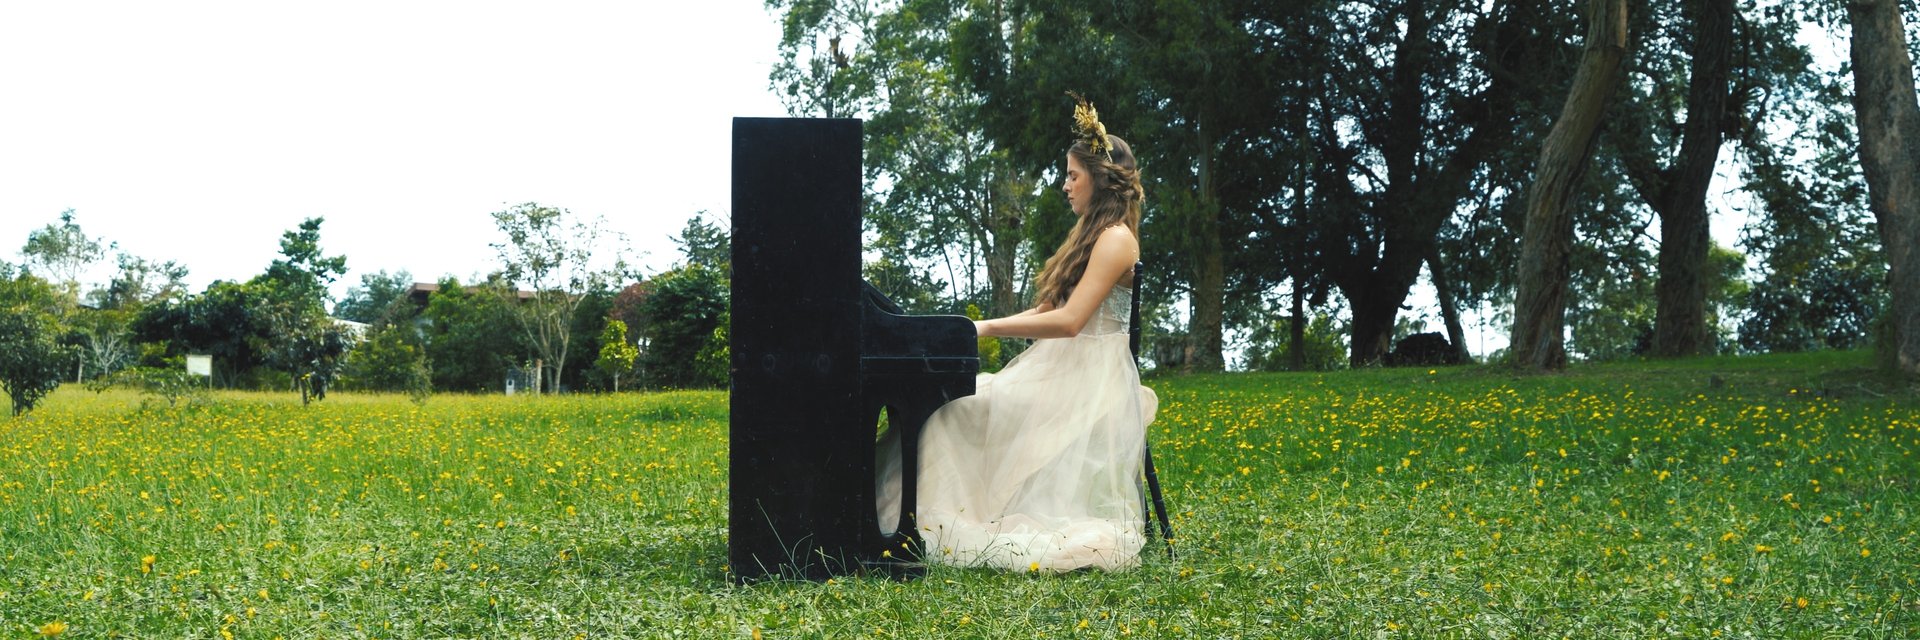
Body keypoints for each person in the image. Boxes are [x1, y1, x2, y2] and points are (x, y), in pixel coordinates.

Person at [876, 93, 1160, 572]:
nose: (1065, 186)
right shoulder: (1089, 237)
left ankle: (931, 521)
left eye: (1073, 175)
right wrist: (964, 327)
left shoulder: (1116, 240)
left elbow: (1069, 324)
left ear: (1101, 178)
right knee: (949, 404)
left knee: (951, 413)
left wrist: (983, 328)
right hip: (1061, 372)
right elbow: (1045, 310)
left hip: (1086, 384)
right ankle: (887, 519)